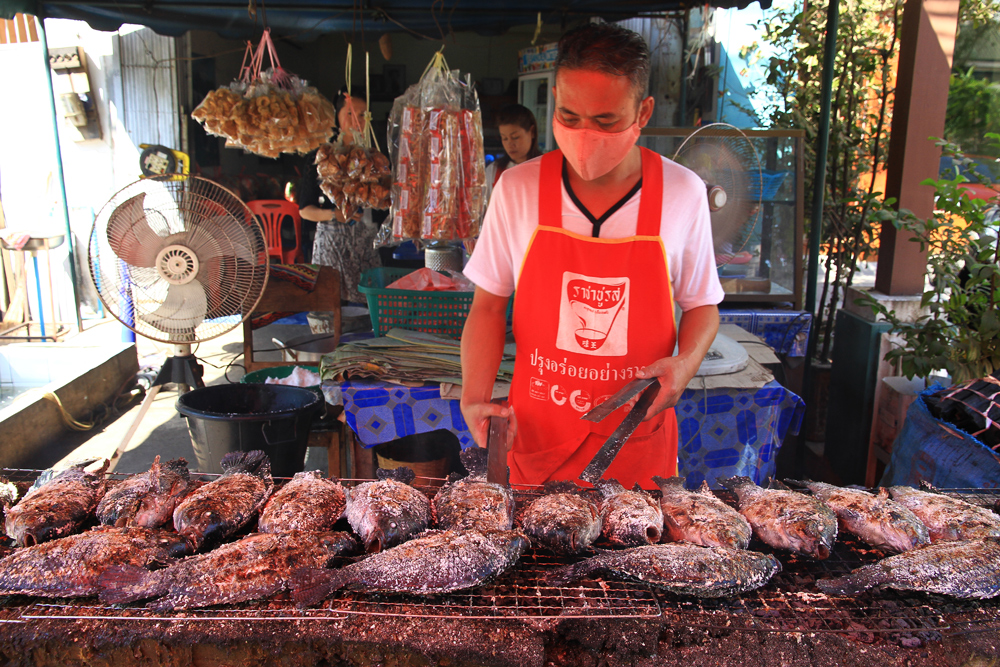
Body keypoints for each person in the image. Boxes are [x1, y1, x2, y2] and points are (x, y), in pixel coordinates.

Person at [460, 23, 724, 488]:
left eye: (605, 121)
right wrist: (473, 397)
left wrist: (685, 364)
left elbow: (702, 304)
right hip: (538, 437)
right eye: (568, 116)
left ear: (643, 112)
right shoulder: (516, 189)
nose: (585, 135)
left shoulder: (682, 193)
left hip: (634, 439)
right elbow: (487, 305)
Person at [297, 89, 382, 304]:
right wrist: (334, 214)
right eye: (350, 113)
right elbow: (305, 210)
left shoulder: (375, 156)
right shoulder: (322, 156)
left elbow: (385, 200)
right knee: (332, 308)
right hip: (332, 248)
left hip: (366, 248)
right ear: (337, 115)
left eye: (363, 114)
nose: (357, 120)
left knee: (368, 309)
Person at [484, 104, 543, 204]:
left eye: (515, 137)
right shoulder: (494, 170)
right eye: (504, 138)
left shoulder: (547, 167)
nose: (510, 144)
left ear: (532, 132)